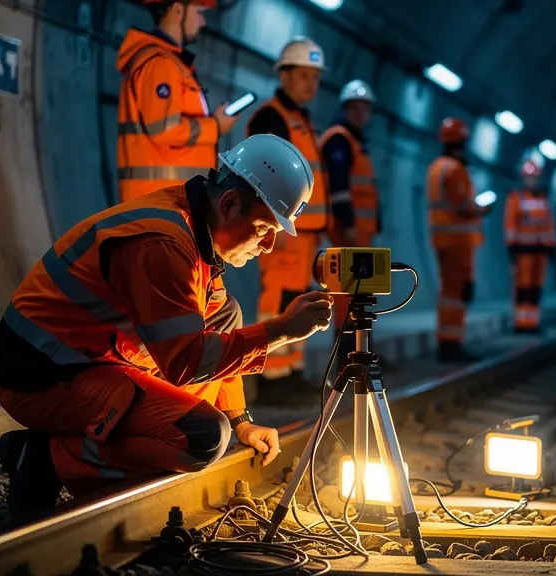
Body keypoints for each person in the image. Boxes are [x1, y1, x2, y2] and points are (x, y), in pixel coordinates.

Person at [0, 134, 334, 516]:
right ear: (230, 203)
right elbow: (187, 361)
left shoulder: (195, 226)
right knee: (202, 437)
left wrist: (241, 422)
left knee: (226, 313)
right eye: (265, 229)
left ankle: (84, 443)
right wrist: (280, 330)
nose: (268, 246)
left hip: (90, 359)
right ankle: (44, 458)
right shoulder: (163, 244)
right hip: (42, 377)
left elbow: (215, 333)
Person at [246, 36, 330, 396]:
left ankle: (290, 371)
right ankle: (270, 377)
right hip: (281, 226)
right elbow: (268, 173)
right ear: (284, 75)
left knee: (297, 298)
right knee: (278, 299)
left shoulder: (301, 120)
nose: (311, 83)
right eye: (303, 75)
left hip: (305, 230)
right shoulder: (271, 117)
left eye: (315, 76)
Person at [116, 0, 240, 203]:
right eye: (199, 12)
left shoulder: (171, 63)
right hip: (160, 202)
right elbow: (164, 129)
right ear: (177, 9)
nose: (202, 22)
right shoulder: (159, 64)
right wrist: (215, 126)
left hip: (170, 200)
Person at [318, 79, 381, 372]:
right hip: (349, 231)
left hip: (362, 233)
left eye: (364, 109)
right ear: (344, 109)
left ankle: (363, 354)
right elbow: (340, 188)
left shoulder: (355, 142)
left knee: (361, 295)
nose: (360, 114)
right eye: (354, 108)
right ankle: (346, 359)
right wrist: (349, 224)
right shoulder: (338, 139)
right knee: (347, 297)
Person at [425, 117, 490, 362]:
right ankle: (451, 344)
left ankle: (448, 341)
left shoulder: (435, 167)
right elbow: (464, 205)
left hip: (443, 239)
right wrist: (482, 209)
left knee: (449, 292)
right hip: (458, 242)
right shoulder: (454, 169)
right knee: (458, 292)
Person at [504, 160, 556, 333]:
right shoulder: (516, 198)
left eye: (535, 178)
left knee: (536, 288)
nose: (532, 181)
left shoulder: (543, 200)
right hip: (523, 252)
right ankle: (521, 323)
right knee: (523, 287)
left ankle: (532, 322)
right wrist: (511, 246)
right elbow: (510, 224)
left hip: (540, 253)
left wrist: (551, 246)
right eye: (529, 178)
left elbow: (549, 225)